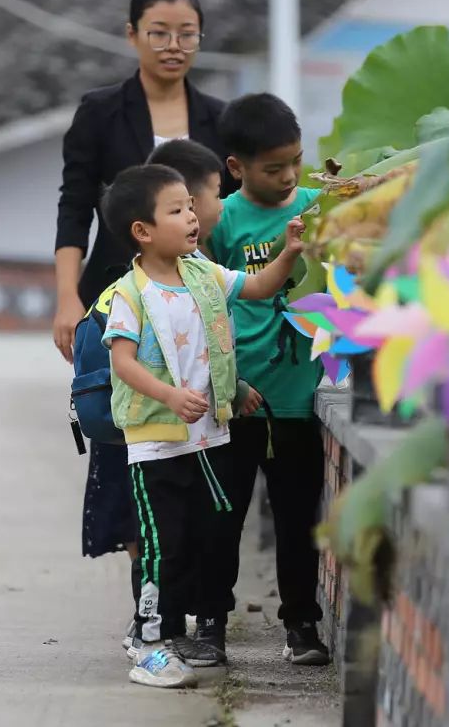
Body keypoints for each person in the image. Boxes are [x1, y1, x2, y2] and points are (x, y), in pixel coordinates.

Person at [52, 0, 227, 641]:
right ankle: (149, 605)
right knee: (129, 444)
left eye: (186, 33)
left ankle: (196, 604)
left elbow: (226, 214)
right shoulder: (101, 113)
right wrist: (67, 296)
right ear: (131, 35)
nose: (173, 45)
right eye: (158, 32)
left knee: (194, 450)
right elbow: (73, 206)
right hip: (116, 298)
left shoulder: (217, 117)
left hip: (195, 303)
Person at [100, 163, 304, 688]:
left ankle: (166, 635)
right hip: (155, 444)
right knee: (161, 545)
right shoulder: (130, 292)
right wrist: (169, 396)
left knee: (191, 541)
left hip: (203, 439)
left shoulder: (204, 273)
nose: (193, 218)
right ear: (142, 231)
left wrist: (288, 254)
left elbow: (257, 287)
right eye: (177, 210)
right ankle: (149, 645)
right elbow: (122, 361)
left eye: (192, 206)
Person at [206, 93, 331, 667]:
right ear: (236, 167)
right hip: (233, 400)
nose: (288, 178)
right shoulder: (218, 220)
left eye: (295, 163)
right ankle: (209, 621)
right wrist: (222, 381)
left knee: (299, 517)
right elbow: (202, 305)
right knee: (222, 516)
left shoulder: (316, 208)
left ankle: (302, 625)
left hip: (298, 398)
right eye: (272, 168)